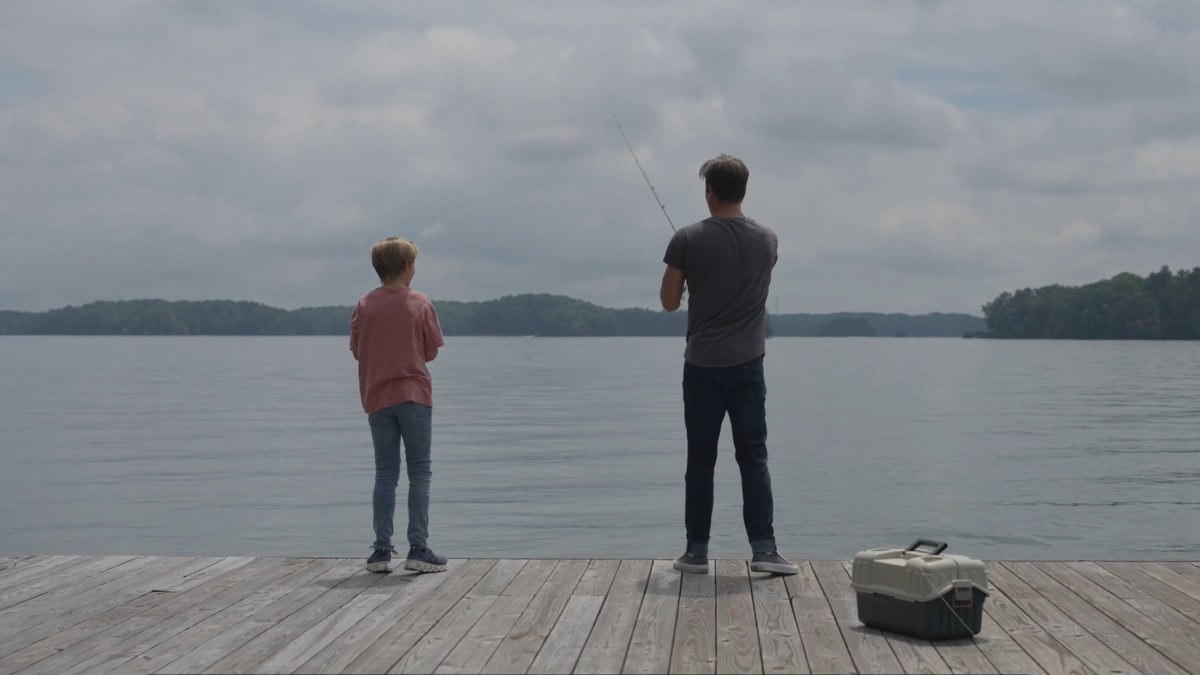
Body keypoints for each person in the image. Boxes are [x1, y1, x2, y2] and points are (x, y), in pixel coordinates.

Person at [660, 155, 798, 576]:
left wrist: (688, 279)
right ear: (743, 190)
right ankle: (765, 550)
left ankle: (697, 553)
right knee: (753, 457)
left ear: (710, 191)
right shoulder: (768, 240)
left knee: (701, 459)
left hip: (702, 365)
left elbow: (668, 303)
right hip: (749, 365)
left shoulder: (686, 238)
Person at [350, 237, 448, 573]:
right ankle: (417, 549)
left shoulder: (364, 304)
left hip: (377, 399)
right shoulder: (421, 303)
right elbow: (431, 352)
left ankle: (380, 552)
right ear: (408, 267)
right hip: (415, 397)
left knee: (385, 474)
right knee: (419, 471)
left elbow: (359, 351)